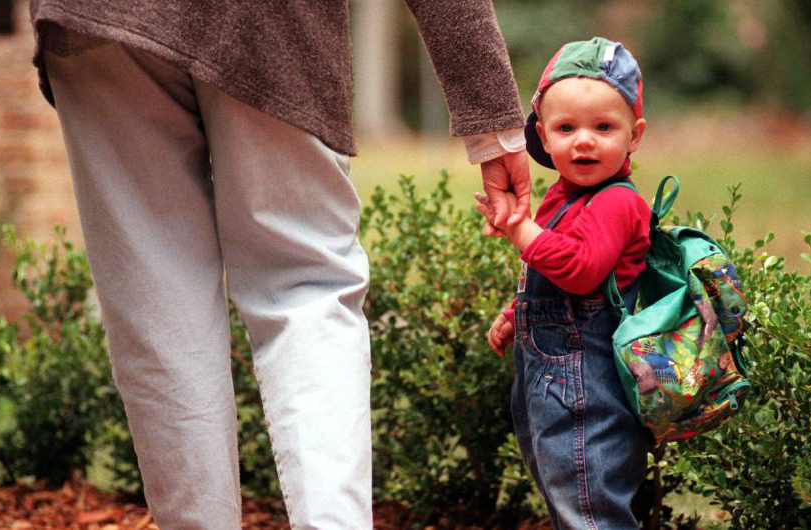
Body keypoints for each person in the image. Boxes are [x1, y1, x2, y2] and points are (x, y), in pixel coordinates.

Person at [27, 1, 531, 529]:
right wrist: (490, 118)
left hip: (104, 15)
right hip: (267, 22)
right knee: (304, 285)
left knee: (158, 304)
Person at [474, 37, 652, 529]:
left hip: (588, 385)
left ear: (633, 135)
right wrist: (517, 314)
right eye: (567, 127)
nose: (584, 140)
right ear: (544, 139)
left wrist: (517, 226)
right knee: (564, 486)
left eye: (604, 127)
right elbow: (548, 272)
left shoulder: (618, 202)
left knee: (589, 502)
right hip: (550, 377)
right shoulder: (563, 196)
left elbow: (580, 269)